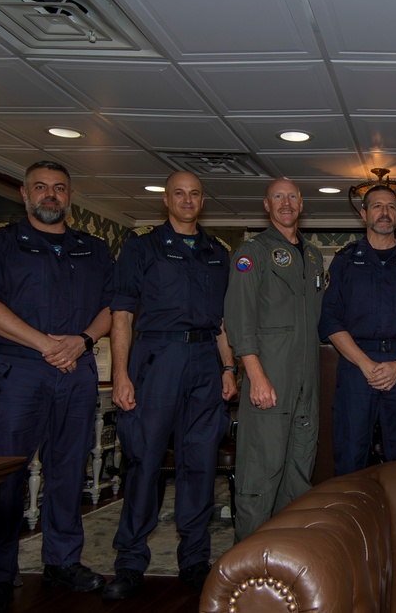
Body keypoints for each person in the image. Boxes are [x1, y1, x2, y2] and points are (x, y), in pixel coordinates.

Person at [0, 160, 113, 611]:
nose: (51, 195)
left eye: (60, 188)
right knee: (6, 474)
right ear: (26, 195)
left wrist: (82, 341)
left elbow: (115, 308)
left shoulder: (95, 249)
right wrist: (47, 345)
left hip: (76, 372)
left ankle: (62, 563)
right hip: (20, 371)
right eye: (41, 188)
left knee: (68, 471)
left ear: (70, 196)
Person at [102, 171, 236, 600]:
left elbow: (221, 321)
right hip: (156, 359)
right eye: (179, 193)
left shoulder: (218, 252)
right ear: (166, 199)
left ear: (202, 201)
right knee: (144, 460)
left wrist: (229, 368)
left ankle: (195, 559)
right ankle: (129, 562)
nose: (187, 200)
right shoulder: (142, 246)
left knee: (199, 463)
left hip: (204, 363)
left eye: (195, 194)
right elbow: (122, 313)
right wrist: (119, 374)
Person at [225, 178, 325, 541]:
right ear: (266, 205)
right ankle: (248, 564)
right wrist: (255, 375)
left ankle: (286, 556)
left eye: (293, 196)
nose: (286, 203)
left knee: (299, 471)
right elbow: (239, 319)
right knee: (260, 474)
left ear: (302, 203)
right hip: (270, 378)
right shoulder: (252, 253)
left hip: (307, 382)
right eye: (278, 197)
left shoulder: (313, 256)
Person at [319, 185, 396, 475]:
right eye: (377, 206)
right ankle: (350, 519)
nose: (385, 213)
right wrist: (366, 365)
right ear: (363, 213)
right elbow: (331, 320)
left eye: (391, 207)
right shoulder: (345, 260)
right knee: (349, 453)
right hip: (356, 365)